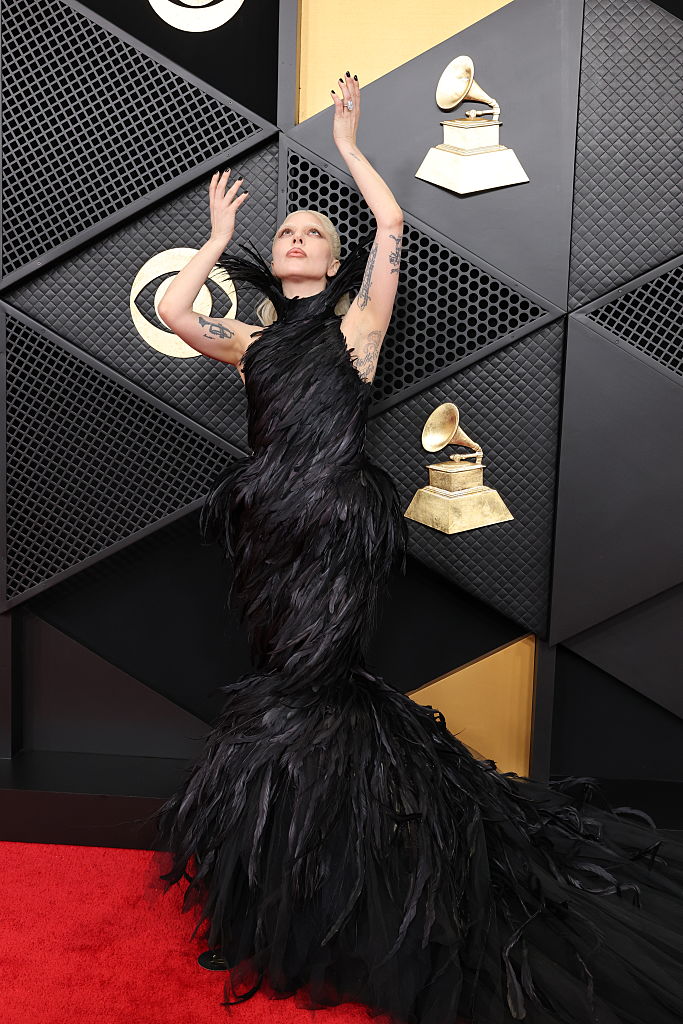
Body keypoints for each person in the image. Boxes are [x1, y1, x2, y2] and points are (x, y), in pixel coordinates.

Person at [153, 71, 683, 1024]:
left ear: (334, 255)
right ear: (273, 259)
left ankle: (334, 878)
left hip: (338, 529)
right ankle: (301, 872)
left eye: (314, 230)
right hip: (267, 532)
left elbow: (391, 232)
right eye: (287, 233)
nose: (299, 238)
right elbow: (178, 314)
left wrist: (353, 149)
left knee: (314, 686)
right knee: (280, 685)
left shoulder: (358, 324)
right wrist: (216, 241)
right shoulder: (252, 341)